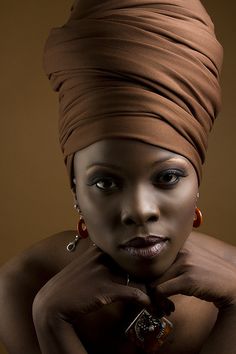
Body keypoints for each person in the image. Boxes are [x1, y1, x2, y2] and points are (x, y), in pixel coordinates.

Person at [1, 0, 236, 353]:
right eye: (106, 182)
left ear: (196, 182)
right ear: (76, 189)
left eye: (168, 177)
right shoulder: (24, 286)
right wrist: (51, 322)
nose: (140, 211)